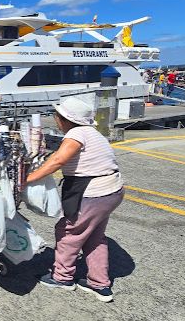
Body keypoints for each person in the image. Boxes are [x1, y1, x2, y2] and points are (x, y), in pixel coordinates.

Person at [26, 96, 124, 303]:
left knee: (68, 232)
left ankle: (62, 277)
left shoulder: (77, 133)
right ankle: (99, 283)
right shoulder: (93, 133)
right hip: (111, 191)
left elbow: (59, 160)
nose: (55, 119)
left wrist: (26, 180)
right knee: (94, 237)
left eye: (57, 116)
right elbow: (56, 157)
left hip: (93, 193)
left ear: (65, 119)